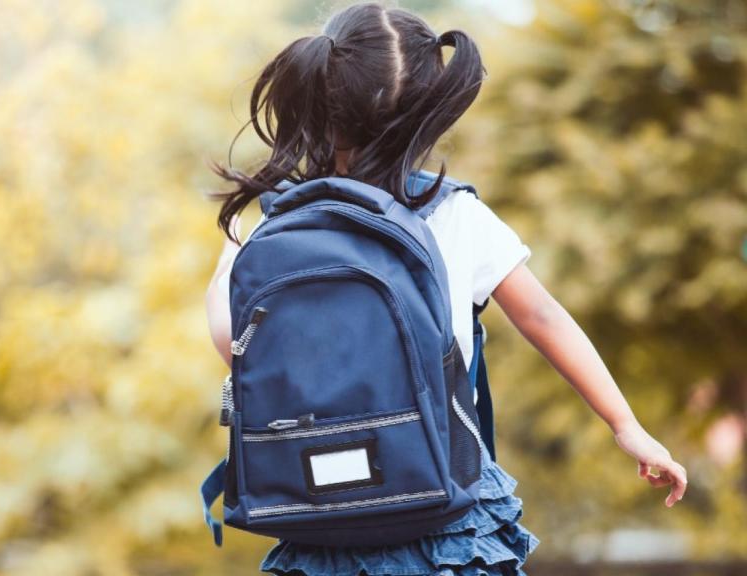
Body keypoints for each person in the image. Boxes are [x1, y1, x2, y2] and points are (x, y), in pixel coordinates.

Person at [203, 3, 688, 575]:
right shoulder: (454, 213)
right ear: (429, 115)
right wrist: (626, 426)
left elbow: (228, 338)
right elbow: (544, 319)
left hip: (314, 510)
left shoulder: (274, 223)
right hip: (445, 511)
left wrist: (239, 243)